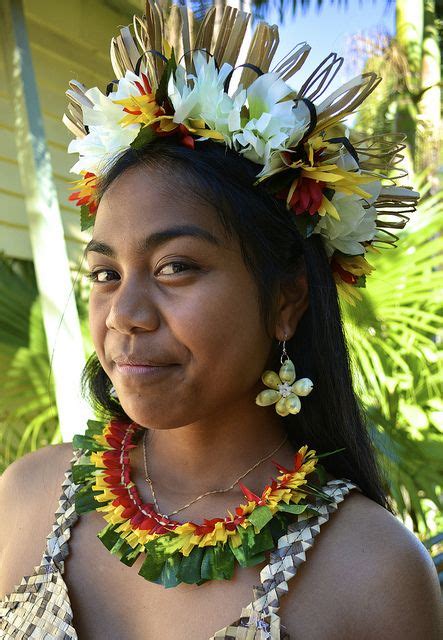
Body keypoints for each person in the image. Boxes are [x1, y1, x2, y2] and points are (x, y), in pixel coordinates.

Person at [0, 2, 441, 639]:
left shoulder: (371, 573)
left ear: (287, 299)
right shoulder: (24, 498)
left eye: (176, 266)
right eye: (105, 273)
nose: (124, 314)